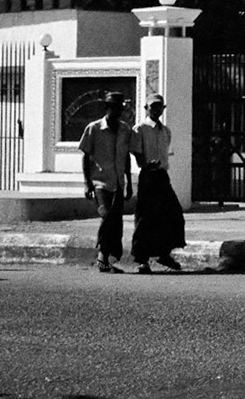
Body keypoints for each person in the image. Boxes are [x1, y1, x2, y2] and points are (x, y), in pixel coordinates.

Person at [78, 90, 137, 273]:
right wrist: (87, 183)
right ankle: (102, 256)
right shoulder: (94, 128)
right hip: (100, 182)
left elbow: (126, 157)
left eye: (120, 108)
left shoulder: (125, 129)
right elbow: (86, 157)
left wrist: (127, 182)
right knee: (106, 215)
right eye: (113, 107)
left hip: (118, 181)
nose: (117, 111)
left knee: (116, 221)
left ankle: (110, 257)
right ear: (107, 108)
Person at [130, 93, 185, 274]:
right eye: (152, 106)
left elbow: (166, 153)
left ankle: (164, 252)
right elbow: (137, 153)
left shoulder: (165, 131)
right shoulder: (140, 129)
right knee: (145, 218)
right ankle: (142, 260)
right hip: (148, 175)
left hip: (161, 175)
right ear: (146, 108)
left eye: (159, 106)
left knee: (173, 214)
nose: (156, 110)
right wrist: (146, 164)